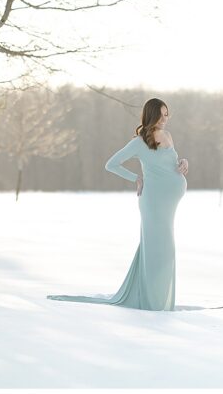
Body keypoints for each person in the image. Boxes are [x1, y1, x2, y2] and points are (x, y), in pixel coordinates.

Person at [47, 98, 189, 310]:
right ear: (151, 114)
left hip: (170, 202)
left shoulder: (168, 136)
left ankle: (160, 299)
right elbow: (111, 164)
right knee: (158, 249)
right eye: (161, 114)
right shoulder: (139, 142)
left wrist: (183, 163)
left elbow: (170, 164)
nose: (165, 118)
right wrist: (136, 178)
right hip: (153, 202)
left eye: (167, 114)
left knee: (163, 250)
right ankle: (153, 302)